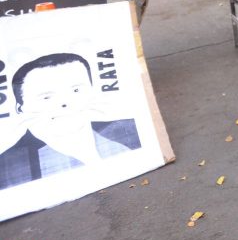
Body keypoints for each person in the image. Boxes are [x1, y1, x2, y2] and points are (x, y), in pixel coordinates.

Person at [0, 53, 142, 190]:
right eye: (46, 97)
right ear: (20, 108)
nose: (64, 103)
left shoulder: (131, 130)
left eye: (76, 90)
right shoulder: (10, 167)